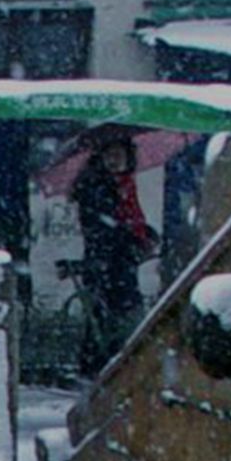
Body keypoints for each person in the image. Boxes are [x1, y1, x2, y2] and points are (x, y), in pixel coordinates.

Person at [63, 125, 155, 366]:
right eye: (109, 155)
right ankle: (105, 363)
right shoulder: (98, 186)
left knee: (112, 312)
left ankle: (106, 361)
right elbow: (104, 227)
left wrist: (144, 234)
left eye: (120, 155)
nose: (115, 161)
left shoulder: (123, 184)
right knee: (109, 314)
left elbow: (130, 221)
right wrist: (132, 238)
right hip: (106, 262)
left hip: (119, 261)